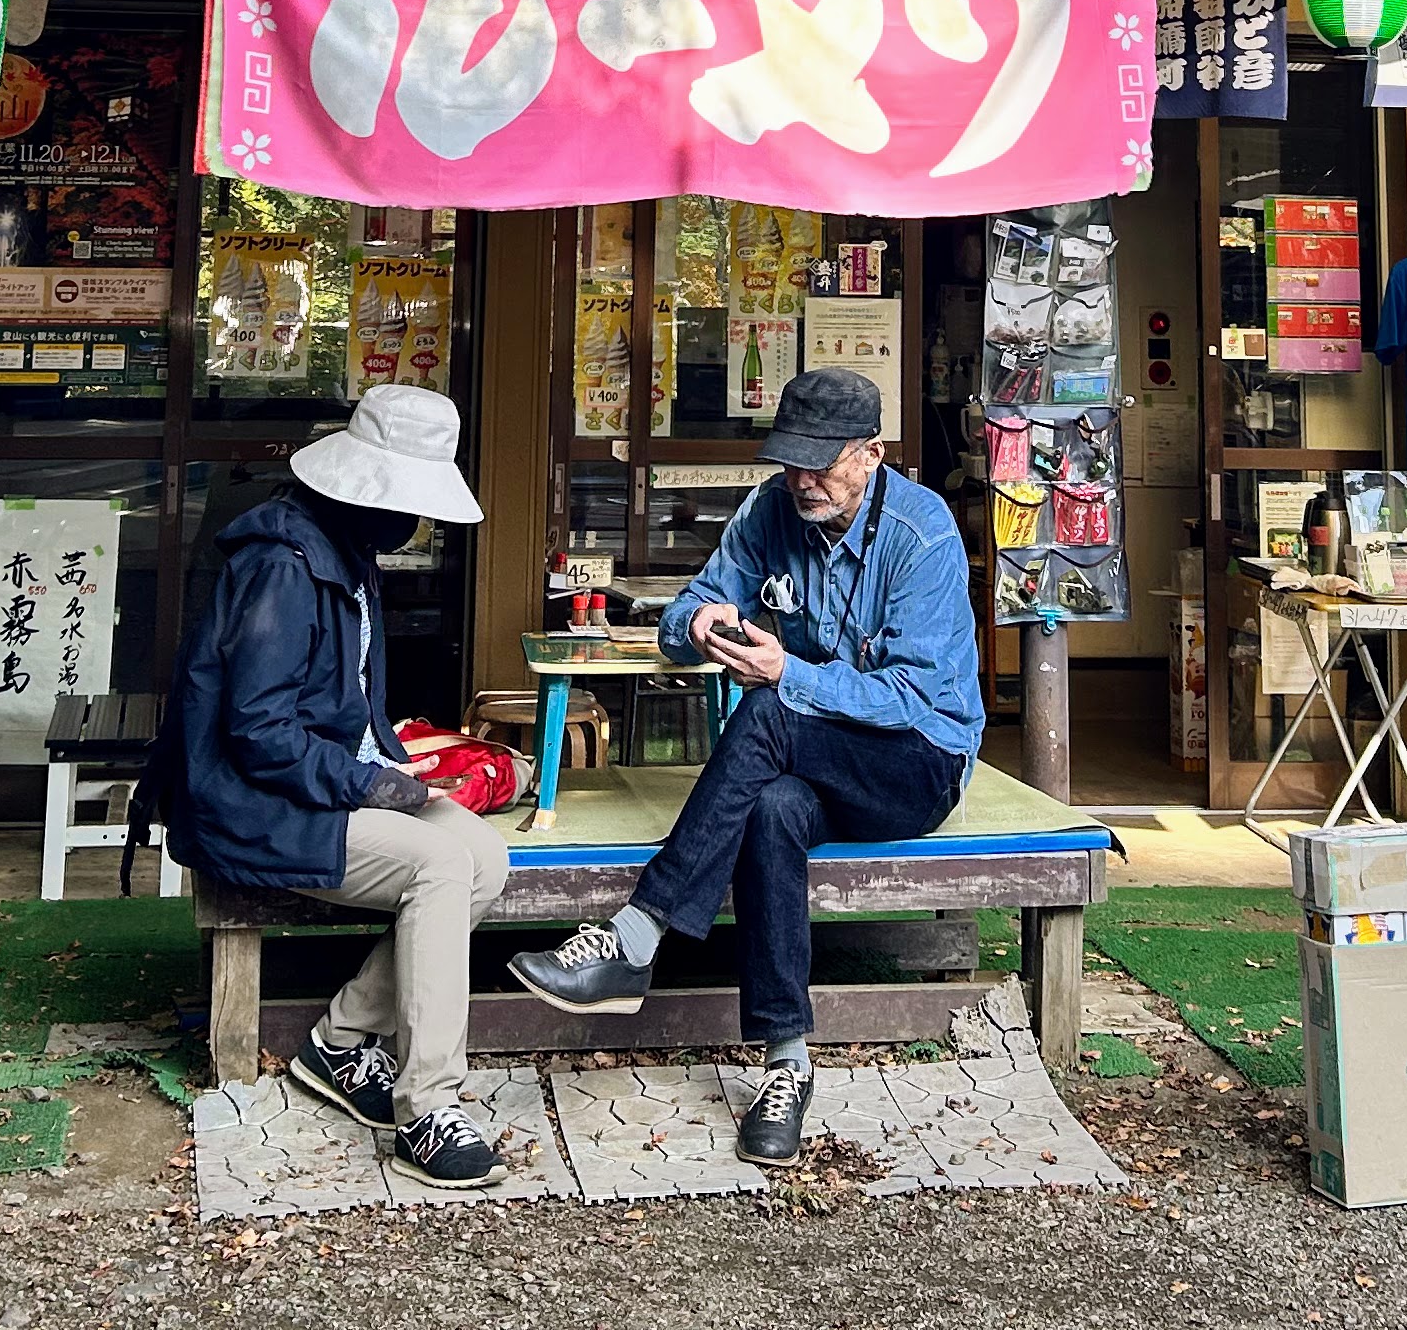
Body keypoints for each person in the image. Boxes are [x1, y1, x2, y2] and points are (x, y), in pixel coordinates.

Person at [510, 367, 979, 1170]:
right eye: (790, 459)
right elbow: (684, 609)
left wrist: (787, 673)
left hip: (916, 761)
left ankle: (636, 934)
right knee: (771, 809)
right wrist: (701, 624)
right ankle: (787, 1060)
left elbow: (911, 699)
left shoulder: (922, 533)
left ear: (871, 454)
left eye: (819, 462)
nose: (801, 479)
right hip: (813, 753)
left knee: (768, 710)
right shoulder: (772, 509)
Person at [159, 385, 508, 1191]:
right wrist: (372, 784)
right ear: (363, 488)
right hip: (250, 802)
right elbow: (258, 732)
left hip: (318, 787)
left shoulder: (343, 551)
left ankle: (340, 1041)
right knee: (438, 866)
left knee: (484, 858)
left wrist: (392, 767)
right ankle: (427, 1106)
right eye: (407, 501)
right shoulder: (283, 566)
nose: (414, 521)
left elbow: (340, 709)